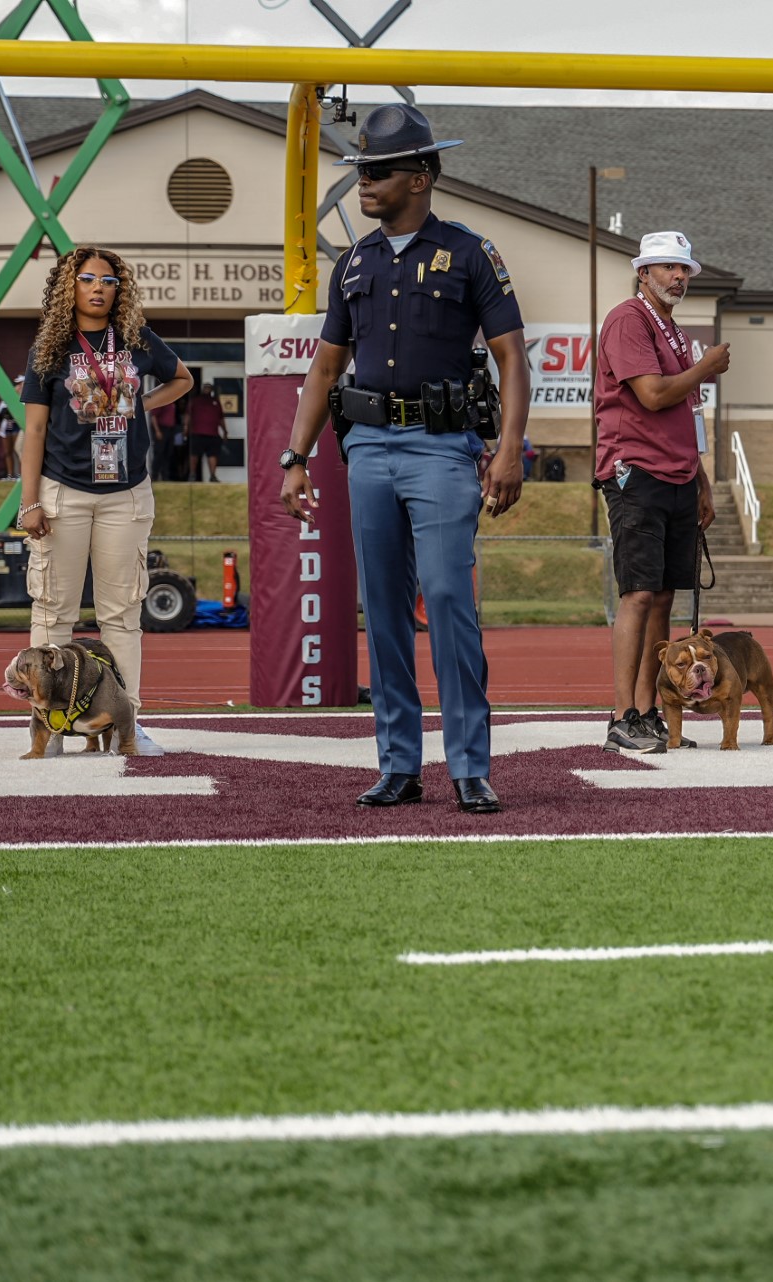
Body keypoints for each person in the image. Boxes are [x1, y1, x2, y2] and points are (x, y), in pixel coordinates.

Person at [278, 104, 530, 813]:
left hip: (442, 450)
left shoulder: (471, 253)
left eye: (377, 171)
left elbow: (512, 358)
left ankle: (471, 767)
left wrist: (510, 449)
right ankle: (398, 765)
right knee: (383, 610)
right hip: (368, 452)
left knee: (449, 599)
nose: (363, 182)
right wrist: (294, 458)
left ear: (420, 176)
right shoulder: (353, 262)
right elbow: (325, 371)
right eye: (358, 170)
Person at [18, 245, 193, 757]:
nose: (99, 288)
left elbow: (182, 378)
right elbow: (33, 429)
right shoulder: (48, 350)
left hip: (126, 493)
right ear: (67, 287)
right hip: (62, 491)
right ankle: (46, 729)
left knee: (123, 613)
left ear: (121, 289)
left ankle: (126, 725)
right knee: (54, 611)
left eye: (109, 280)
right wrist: (29, 502)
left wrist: (144, 403)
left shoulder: (138, 341)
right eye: (88, 278)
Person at [593, 230, 729, 754]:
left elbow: (686, 412)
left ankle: (649, 713)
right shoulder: (629, 318)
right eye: (668, 267)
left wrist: (700, 478)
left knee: (667, 596)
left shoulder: (671, 328)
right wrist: (706, 367)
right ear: (643, 272)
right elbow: (650, 395)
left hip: (676, 473)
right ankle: (623, 714)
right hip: (636, 472)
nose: (679, 277)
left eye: (685, 269)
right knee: (639, 594)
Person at [183, 371, 228, 482]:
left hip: (213, 434)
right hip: (197, 433)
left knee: (212, 455)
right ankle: (192, 475)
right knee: (194, 455)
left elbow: (221, 418)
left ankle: (212, 476)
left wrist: (225, 431)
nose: (207, 389)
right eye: (205, 387)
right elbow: (188, 415)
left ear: (211, 390)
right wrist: (185, 429)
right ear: (202, 389)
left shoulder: (215, 402)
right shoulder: (195, 401)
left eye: (209, 388)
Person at [0, 375, 24, 479]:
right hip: (7, 427)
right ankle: (10, 474)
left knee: (19, 449)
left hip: (18, 426)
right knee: (8, 451)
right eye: (17, 385)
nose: (18, 387)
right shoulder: (6, 399)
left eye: (20, 384)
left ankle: (20, 474)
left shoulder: (24, 399)